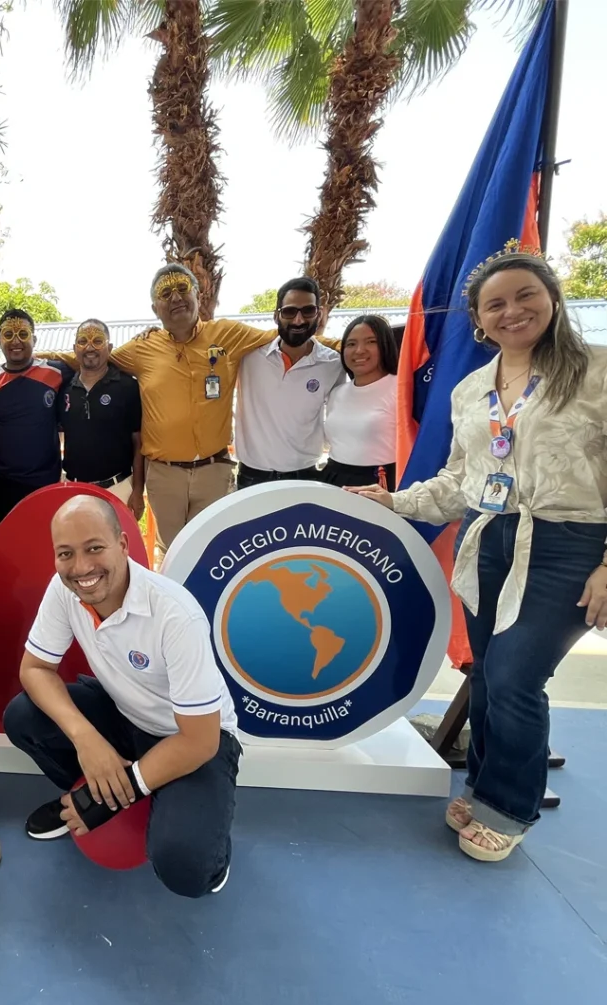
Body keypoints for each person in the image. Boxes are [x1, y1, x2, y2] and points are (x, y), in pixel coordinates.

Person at [351, 251, 607, 863]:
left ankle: (511, 807)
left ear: (552, 299)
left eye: (525, 296)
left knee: (517, 675)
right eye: (496, 304)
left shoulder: (596, 372)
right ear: (478, 319)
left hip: (569, 544)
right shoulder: (470, 390)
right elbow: (460, 481)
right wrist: (396, 501)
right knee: (488, 673)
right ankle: (485, 786)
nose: (512, 311)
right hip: (489, 539)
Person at [4, 494, 241, 897]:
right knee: (23, 717)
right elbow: (35, 669)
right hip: (125, 715)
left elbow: (201, 741)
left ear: (123, 545)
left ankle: (149, 806)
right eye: (66, 553)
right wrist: (87, 739)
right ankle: (88, 789)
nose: (81, 568)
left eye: (94, 548)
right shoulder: (65, 589)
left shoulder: (175, 615)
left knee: (187, 869)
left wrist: (125, 788)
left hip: (192, 737)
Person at [38, 265, 278, 554]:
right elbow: (94, 357)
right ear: (155, 308)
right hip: (165, 475)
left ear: (198, 295)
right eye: (166, 293)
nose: (175, 297)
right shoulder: (142, 347)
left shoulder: (228, 334)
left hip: (214, 471)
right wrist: (29, 357)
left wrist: (332, 348)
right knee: (171, 551)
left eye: (182, 289)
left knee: (214, 550)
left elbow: (283, 337)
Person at [234, 276, 344, 489]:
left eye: (308, 311)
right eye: (289, 312)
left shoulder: (333, 363)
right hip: (252, 478)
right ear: (276, 316)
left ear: (319, 314)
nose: (298, 320)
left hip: (305, 477)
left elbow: (340, 419)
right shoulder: (247, 356)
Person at [0, 309, 72, 523]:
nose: (16, 341)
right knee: (6, 542)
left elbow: (90, 363)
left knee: (44, 541)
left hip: (46, 483)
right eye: (8, 334)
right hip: (3, 487)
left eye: (23, 334)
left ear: (34, 339)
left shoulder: (57, 372)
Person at [58, 319, 144, 522]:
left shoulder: (128, 387)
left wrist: (138, 490)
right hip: (74, 489)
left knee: (120, 541)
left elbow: (139, 443)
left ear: (110, 347)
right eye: (83, 341)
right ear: (74, 348)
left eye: (97, 341)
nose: (90, 347)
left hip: (118, 488)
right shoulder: (64, 389)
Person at [320, 314, 399, 490]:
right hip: (334, 480)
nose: (359, 350)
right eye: (351, 344)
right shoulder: (337, 393)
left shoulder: (401, 389)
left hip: (379, 483)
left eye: (371, 342)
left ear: (385, 345)